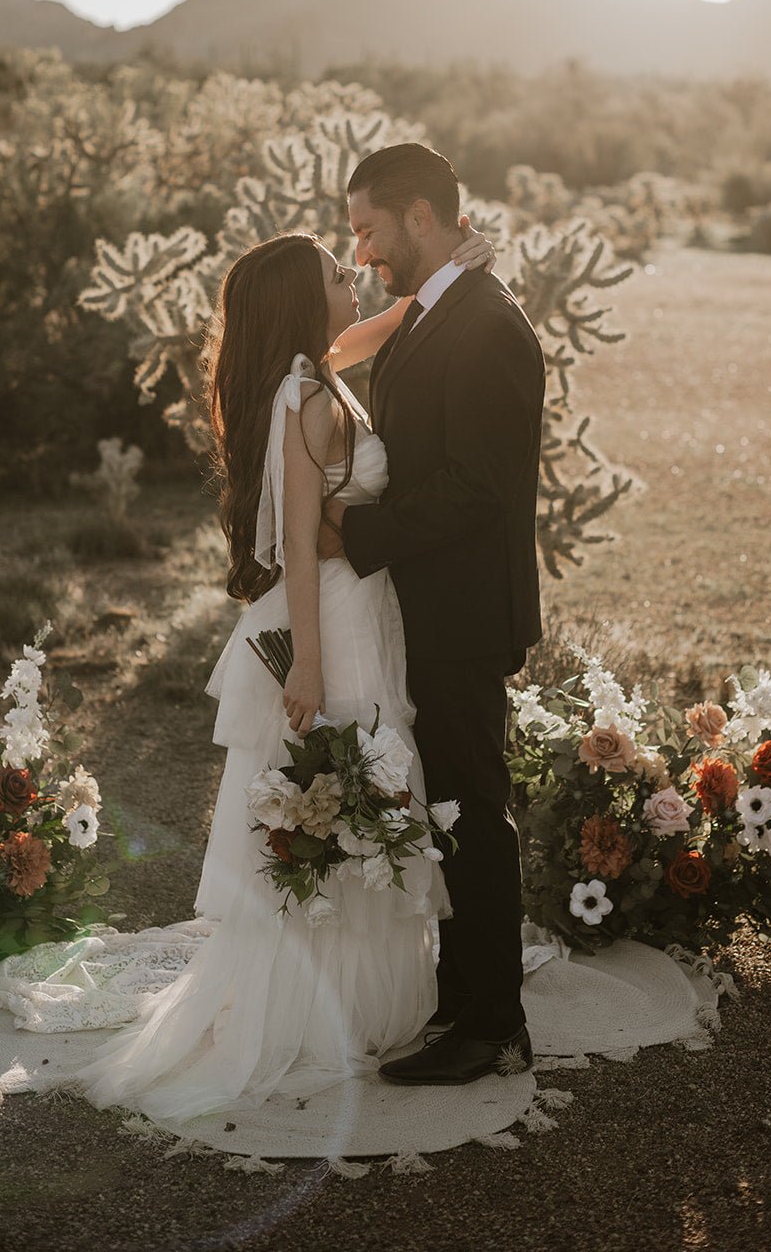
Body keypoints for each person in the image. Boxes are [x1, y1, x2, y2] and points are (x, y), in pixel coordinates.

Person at [0, 215, 499, 1124]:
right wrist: (309, 672)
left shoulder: (311, 375)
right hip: (333, 623)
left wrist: (451, 278)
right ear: (300, 300)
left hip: (362, 611)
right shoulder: (307, 400)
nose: (350, 269)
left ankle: (361, 998)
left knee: (365, 799)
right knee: (348, 796)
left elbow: (380, 327)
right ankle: (329, 1011)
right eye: (332, 267)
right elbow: (299, 561)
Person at [318, 142, 546, 1085]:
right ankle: (463, 1001)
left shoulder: (487, 325)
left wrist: (354, 533)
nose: (361, 252)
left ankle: (490, 1026)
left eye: (368, 229)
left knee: (471, 811)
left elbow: (476, 489)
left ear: (420, 217)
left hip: (459, 610)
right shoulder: (437, 308)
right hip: (425, 604)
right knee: (446, 806)